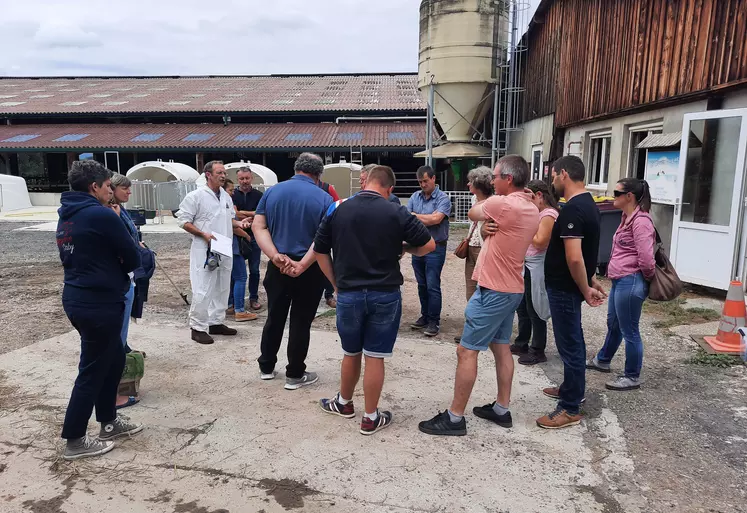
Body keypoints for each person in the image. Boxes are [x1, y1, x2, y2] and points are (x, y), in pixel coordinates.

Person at [418, 155, 539, 436]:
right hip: (512, 288)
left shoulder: (502, 203)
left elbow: (473, 213)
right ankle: (501, 408)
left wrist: (485, 221)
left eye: (495, 177)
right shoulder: (531, 206)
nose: (491, 182)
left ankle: (455, 417)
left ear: (508, 179)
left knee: (466, 351)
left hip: (493, 289)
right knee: (501, 348)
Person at [309, 165, 434, 435]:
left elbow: (319, 251)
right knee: (375, 356)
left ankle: (344, 403)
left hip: (349, 293)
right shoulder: (397, 210)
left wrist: (335, 284)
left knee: (350, 352)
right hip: (385, 293)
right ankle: (370, 416)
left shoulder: (338, 207)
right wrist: (404, 248)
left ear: (366, 182)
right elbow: (428, 246)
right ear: (389, 188)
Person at [56, 160, 144, 460]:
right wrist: (122, 262)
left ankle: (109, 421)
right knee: (93, 368)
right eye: (108, 187)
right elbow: (133, 255)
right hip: (98, 301)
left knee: (114, 357)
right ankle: (75, 439)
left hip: (81, 296)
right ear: (94, 186)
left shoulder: (68, 215)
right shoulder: (100, 214)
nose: (111, 191)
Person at [252, 153, 333, 390]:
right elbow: (322, 240)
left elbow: (259, 226)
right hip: (309, 269)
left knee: (274, 316)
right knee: (300, 321)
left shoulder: (272, 192)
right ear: (318, 175)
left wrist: (275, 256)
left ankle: (266, 366)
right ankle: (295, 374)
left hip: (278, 266)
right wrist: (302, 265)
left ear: (296, 168)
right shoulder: (325, 199)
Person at [537, 155, 606, 430]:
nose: (552, 180)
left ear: (563, 173)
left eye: (553, 175)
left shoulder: (573, 210)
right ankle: (571, 388)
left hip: (565, 288)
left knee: (570, 344)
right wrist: (590, 280)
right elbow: (588, 253)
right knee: (572, 340)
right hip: (570, 286)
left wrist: (585, 288)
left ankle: (570, 406)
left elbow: (575, 257)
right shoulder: (588, 205)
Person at [587, 178, 655, 391]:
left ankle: (632, 375)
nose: (612, 196)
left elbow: (646, 258)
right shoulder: (626, 217)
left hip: (631, 280)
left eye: (617, 193)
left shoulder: (641, 221)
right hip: (620, 280)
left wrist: (645, 278)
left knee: (630, 330)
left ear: (629, 197)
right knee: (614, 324)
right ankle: (603, 360)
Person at [177, 161, 252, 345]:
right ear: (208, 174)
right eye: (219, 172)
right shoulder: (196, 196)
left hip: (224, 246)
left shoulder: (226, 196)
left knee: (222, 286)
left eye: (224, 172)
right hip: (205, 248)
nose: (223, 175)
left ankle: (216, 321)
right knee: (203, 287)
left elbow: (230, 220)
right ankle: (198, 327)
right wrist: (203, 234)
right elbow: (183, 221)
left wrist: (240, 224)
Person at [509, 179, 560, 366]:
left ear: (539, 195)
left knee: (535, 307)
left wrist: (523, 229)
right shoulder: (537, 213)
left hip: (537, 265)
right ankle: (522, 341)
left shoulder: (548, 214)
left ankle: (538, 349)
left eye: (528, 198)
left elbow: (540, 242)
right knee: (522, 306)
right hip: (526, 263)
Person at [109, 173, 144, 409]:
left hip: (127, 277)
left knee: (120, 333)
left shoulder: (120, 210)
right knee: (115, 336)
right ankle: (113, 393)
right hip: (120, 279)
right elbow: (124, 244)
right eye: (125, 189)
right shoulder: (110, 214)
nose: (129, 193)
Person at [407, 165, 452, 337]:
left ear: (433, 179)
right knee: (421, 284)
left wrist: (414, 215)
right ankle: (424, 316)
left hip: (436, 247)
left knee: (432, 285)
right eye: (420, 182)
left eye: (425, 181)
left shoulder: (443, 198)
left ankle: (434, 321)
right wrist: (423, 218)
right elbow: (408, 219)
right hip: (417, 247)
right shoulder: (414, 196)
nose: (423, 184)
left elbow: (436, 219)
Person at [454, 166, 493, 343]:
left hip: (485, 249)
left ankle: (483, 331)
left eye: (471, 181)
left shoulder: (494, 202)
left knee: (484, 290)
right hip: (471, 247)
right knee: (471, 290)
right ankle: (471, 330)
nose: (468, 183)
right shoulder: (473, 199)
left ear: (478, 183)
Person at [225, 179, 258, 322]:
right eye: (231, 190)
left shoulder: (222, 203)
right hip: (232, 245)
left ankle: (230, 305)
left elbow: (236, 216)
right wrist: (245, 234)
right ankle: (239, 310)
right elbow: (232, 223)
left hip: (226, 244)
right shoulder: (225, 204)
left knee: (231, 276)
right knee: (241, 277)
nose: (233, 193)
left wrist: (240, 216)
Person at [232, 167, 264, 311]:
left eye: (247, 178)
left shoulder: (259, 195)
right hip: (236, 235)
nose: (244, 181)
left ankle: (253, 298)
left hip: (254, 236)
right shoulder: (231, 195)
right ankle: (233, 300)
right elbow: (233, 214)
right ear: (237, 179)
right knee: (236, 271)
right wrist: (250, 214)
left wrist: (240, 213)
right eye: (241, 179)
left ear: (252, 178)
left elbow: (262, 214)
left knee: (255, 270)